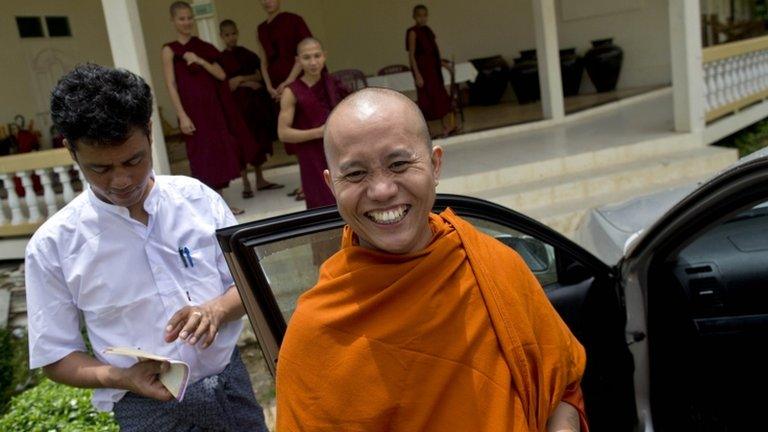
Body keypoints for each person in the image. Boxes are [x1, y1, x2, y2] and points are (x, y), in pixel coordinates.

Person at [275, 88, 589, 431]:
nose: (381, 191)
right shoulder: (317, 332)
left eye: (398, 164)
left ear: (435, 165)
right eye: (355, 174)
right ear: (331, 186)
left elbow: (562, 391)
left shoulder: (494, 265)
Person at [25, 64, 267, 431]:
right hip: (147, 412)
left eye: (133, 160)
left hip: (230, 390)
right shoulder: (54, 246)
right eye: (100, 169)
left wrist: (217, 309)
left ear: (150, 133)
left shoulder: (197, 200)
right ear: (70, 150)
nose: (121, 180)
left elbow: (250, 285)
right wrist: (120, 378)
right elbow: (56, 356)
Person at [162, 1, 256, 213]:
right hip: (192, 112)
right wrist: (181, 115)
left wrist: (199, 60)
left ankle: (220, 205)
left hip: (212, 111)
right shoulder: (170, 50)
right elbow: (171, 84)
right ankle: (206, 207)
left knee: (217, 154)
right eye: (181, 19)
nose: (186, 22)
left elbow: (222, 75)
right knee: (201, 156)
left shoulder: (203, 47)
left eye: (189, 18)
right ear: (173, 21)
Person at [277, 37, 347, 208]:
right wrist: (319, 132)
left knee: (347, 199)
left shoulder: (333, 83)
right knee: (320, 203)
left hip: (339, 150)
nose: (313, 62)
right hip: (311, 155)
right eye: (307, 57)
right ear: (298, 60)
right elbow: (283, 133)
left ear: (324, 56)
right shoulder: (292, 91)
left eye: (317, 56)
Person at [219, 18, 283, 196]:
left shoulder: (248, 55)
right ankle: (245, 182)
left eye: (233, 33)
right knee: (241, 143)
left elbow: (260, 77)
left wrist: (241, 80)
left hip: (254, 107)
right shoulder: (221, 59)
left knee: (258, 140)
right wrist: (244, 80)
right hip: (236, 110)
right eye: (227, 35)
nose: (231, 38)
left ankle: (260, 179)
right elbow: (228, 85)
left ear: (237, 33)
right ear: (221, 36)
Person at [407, 4, 456, 137]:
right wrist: (417, 75)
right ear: (414, 16)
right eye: (419, 16)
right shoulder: (412, 32)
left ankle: (446, 127)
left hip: (434, 71)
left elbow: (432, 53)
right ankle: (427, 132)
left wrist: (444, 65)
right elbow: (412, 55)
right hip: (423, 72)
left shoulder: (428, 30)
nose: (422, 18)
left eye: (424, 15)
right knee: (427, 102)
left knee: (441, 98)